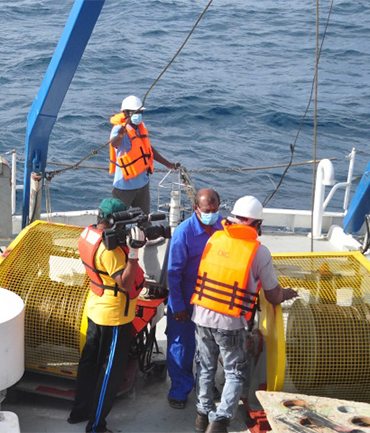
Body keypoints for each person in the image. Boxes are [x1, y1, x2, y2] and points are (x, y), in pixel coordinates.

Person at [191, 196, 298, 433]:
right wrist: (287, 294)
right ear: (256, 223)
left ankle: (201, 415)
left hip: (201, 315)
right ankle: (219, 422)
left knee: (206, 367)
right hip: (229, 321)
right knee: (235, 372)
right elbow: (272, 295)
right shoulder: (259, 252)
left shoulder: (215, 238)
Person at [68, 198, 147, 433]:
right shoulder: (110, 251)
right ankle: (96, 426)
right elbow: (125, 283)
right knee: (109, 372)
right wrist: (133, 252)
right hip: (114, 318)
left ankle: (79, 412)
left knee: (89, 364)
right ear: (115, 221)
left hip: (95, 308)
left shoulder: (88, 235)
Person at [165, 188, 224, 410]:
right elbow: (174, 273)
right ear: (196, 209)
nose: (213, 214)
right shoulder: (183, 233)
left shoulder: (222, 228)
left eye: (216, 209)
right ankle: (179, 390)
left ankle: (204, 386)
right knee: (181, 347)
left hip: (210, 301)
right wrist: (178, 307)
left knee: (208, 348)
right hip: (185, 300)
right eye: (208, 210)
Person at [109, 95, 180, 215]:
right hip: (125, 186)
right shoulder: (119, 129)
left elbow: (148, 150)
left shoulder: (141, 127)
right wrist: (121, 136)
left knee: (145, 219)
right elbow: (114, 143)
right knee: (117, 220)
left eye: (140, 112)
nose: (138, 115)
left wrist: (168, 164)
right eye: (134, 112)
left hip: (142, 184)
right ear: (126, 113)